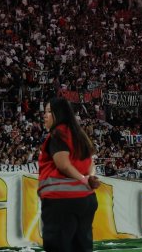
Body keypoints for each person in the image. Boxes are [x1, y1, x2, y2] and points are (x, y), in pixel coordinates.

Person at [38, 97, 100, 252]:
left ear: (58, 114)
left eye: (48, 112)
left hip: (62, 201)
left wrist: (83, 179)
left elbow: (63, 165)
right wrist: (90, 177)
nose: (44, 116)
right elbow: (91, 163)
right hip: (87, 201)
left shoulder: (59, 133)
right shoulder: (79, 134)